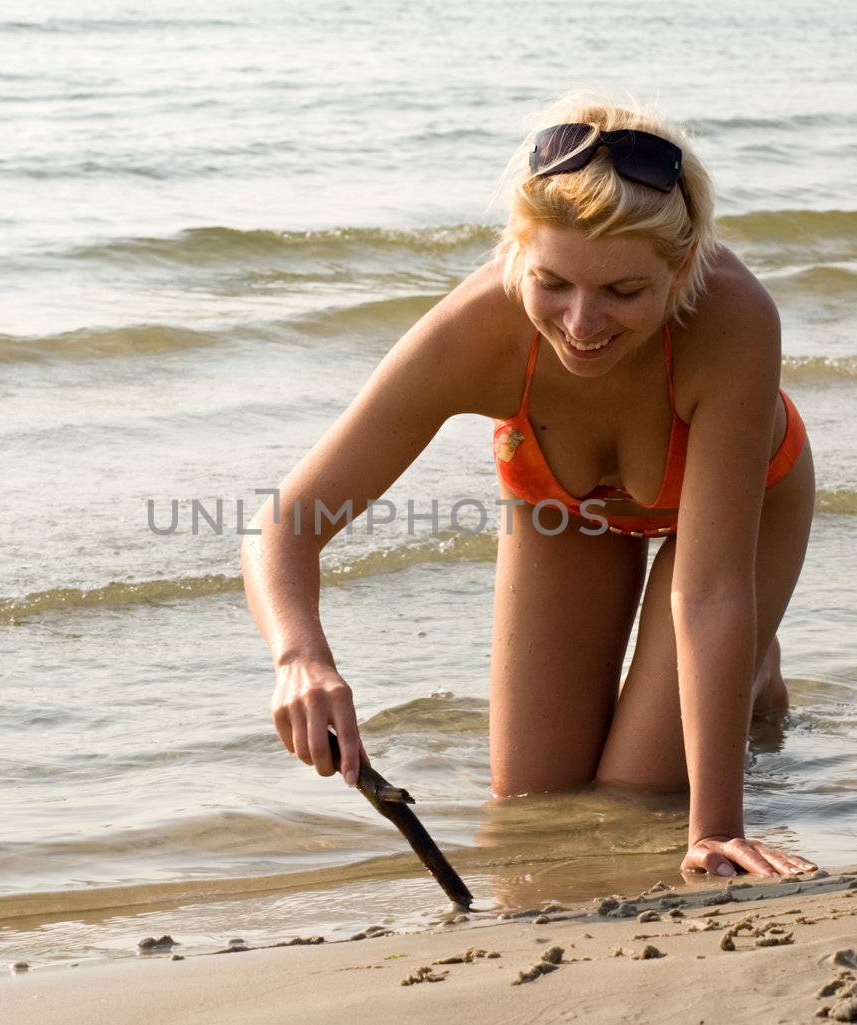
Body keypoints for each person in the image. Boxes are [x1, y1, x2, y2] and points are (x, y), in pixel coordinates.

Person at [240, 92, 818, 879]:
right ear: (517, 250)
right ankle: (729, 672)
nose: (583, 324)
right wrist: (300, 655)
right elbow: (285, 523)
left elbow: (710, 591)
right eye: (554, 283)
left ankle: (748, 670)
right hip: (566, 504)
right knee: (536, 803)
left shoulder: (734, 317)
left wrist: (715, 826)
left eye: (624, 292)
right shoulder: (478, 331)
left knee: (638, 792)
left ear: (680, 267)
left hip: (738, 508)